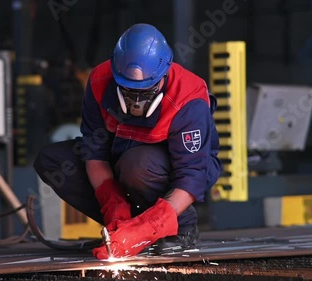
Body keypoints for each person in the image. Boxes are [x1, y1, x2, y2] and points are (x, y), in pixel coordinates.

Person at [34, 23, 222, 259]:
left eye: (145, 91)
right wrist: (114, 207)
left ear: (163, 75)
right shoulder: (99, 83)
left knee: (138, 165)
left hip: (175, 167)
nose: (136, 101)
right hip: (120, 154)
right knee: (53, 161)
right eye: (129, 90)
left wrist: (151, 224)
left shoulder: (187, 98)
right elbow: (95, 153)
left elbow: (192, 174)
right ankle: (125, 227)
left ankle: (180, 228)